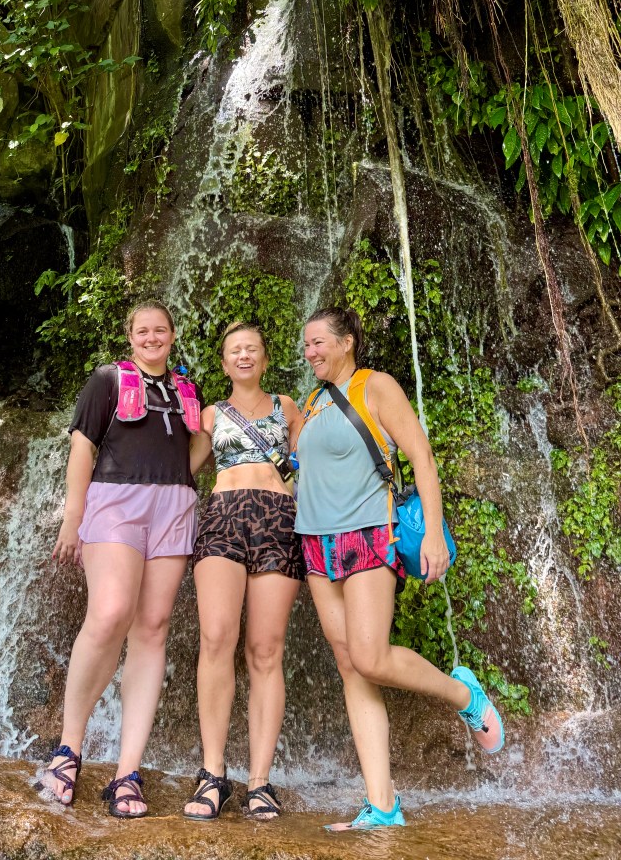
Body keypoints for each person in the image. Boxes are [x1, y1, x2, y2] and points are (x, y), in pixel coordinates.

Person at [296, 307, 505, 831]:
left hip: (369, 531)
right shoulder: (312, 402)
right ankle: (383, 804)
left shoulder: (375, 386)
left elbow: (421, 457)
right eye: (306, 345)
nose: (311, 352)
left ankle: (465, 694)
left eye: (319, 342)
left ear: (346, 343)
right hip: (316, 544)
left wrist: (433, 531)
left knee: (369, 656)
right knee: (350, 663)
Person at [36, 300, 210, 817]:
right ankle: (69, 748)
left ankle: (126, 772)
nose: (151, 337)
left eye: (160, 330)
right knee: (110, 613)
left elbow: (198, 445)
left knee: (152, 628)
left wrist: (183, 479)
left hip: (173, 506)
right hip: (115, 500)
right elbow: (82, 448)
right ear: (130, 336)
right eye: (142, 331)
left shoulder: (187, 390)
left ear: (172, 335)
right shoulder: (107, 381)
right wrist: (74, 517)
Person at [182, 322, 305, 821]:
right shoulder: (210, 414)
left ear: (265, 357)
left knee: (266, 650)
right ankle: (213, 775)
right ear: (224, 362)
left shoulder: (289, 407)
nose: (244, 355)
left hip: (278, 519)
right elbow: (183, 470)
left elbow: (307, 468)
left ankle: (259, 782)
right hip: (224, 515)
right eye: (235, 350)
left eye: (252, 347)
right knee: (215, 638)